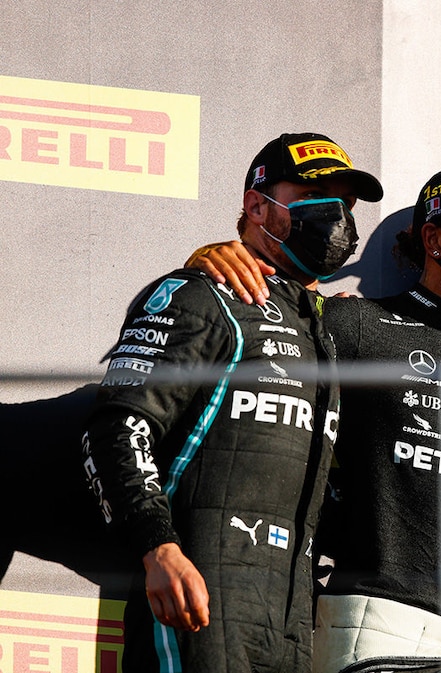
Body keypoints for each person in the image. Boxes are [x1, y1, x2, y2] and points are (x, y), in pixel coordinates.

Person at [187, 163, 441, 673]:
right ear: (434, 238)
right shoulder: (358, 322)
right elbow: (253, 324)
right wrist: (211, 260)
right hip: (383, 627)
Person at [83, 132, 382, 673]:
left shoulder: (323, 328)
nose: (336, 215)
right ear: (256, 207)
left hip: (291, 619)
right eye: (313, 196)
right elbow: (116, 428)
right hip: (198, 601)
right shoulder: (201, 293)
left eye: (346, 202)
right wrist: (158, 548)